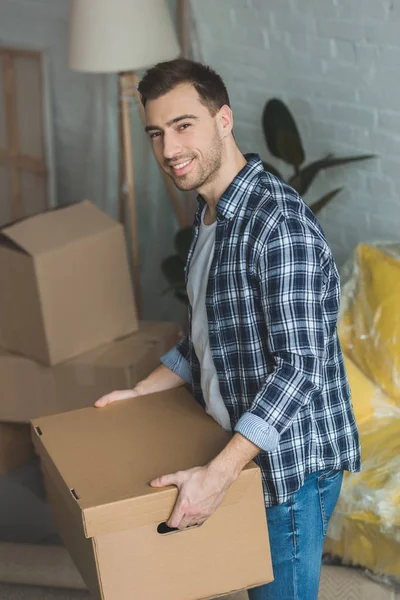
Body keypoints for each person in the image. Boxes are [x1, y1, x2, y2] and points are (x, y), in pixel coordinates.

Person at [95, 58, 361, 600]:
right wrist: (140, 393)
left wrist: (216, 477)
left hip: (288, 467)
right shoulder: (212, 216)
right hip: (241, 451)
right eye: (156, 133)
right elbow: (207, 340)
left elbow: (301, 368)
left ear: (223, 120)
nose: (168, 150)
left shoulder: (277, 226)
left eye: (183, 125)